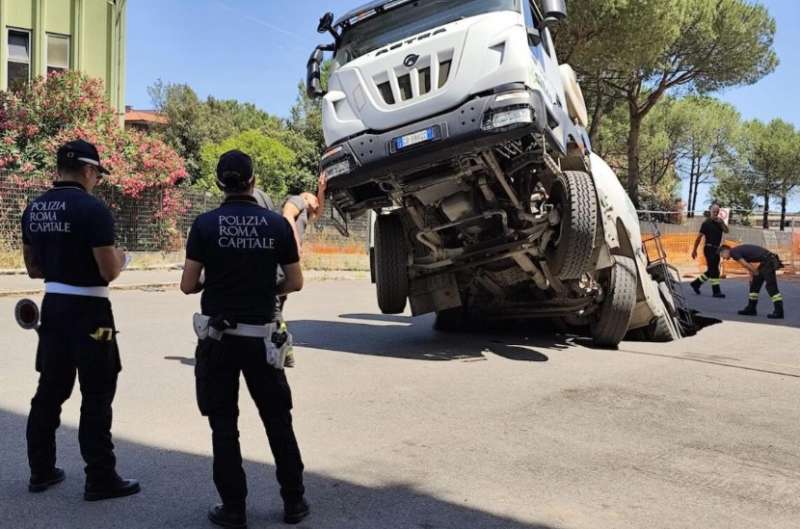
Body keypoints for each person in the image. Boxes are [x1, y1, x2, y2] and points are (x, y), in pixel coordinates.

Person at [180, 150, 309, 527]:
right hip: (263, 338)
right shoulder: (276, 225)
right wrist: (264, 286)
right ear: (253, 181)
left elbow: (188, 284)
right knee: (277, 419)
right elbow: (295, 281)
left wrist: (213, 280)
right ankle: (294, 501)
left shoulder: (204, 225)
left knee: (223, 423)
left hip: (218, 339)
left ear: (220, 184)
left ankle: (233, 508)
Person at [20, 139, 140, 500]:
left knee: (49, 392)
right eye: (97, 174)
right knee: (97, 394)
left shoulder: (33, 209)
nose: (97, 181)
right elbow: (107, 271)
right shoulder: (93, 210)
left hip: (53, 307)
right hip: (90, 310)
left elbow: (32, 268)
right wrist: (121, 257)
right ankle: (100, 477)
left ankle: (41, 471)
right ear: (88, 170)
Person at [720, 244, 785, 319]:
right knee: (755, 285)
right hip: (766, 260)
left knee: (771, 286)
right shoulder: (736, 251)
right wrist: (752, 276)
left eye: (722, 255)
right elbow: (747, 264)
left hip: (768, 261)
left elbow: (745, 264)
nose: (723, 258)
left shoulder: (733, 252)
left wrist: (755, 272)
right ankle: (751, 309)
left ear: (725, 251)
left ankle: (779, 312)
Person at [690, 204, 729, 298]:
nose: (715, 213)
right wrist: (694, 250)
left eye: (717, 212)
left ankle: (696, 283)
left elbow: (727, 231)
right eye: (714, 211)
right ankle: (716, 292)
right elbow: (699, 237)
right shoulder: (706, 223)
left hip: (717, 249)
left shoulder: (720, 223)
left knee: (712, 269)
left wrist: (722, 223)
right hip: (708, 248)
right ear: (710, 211)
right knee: (714, 270)